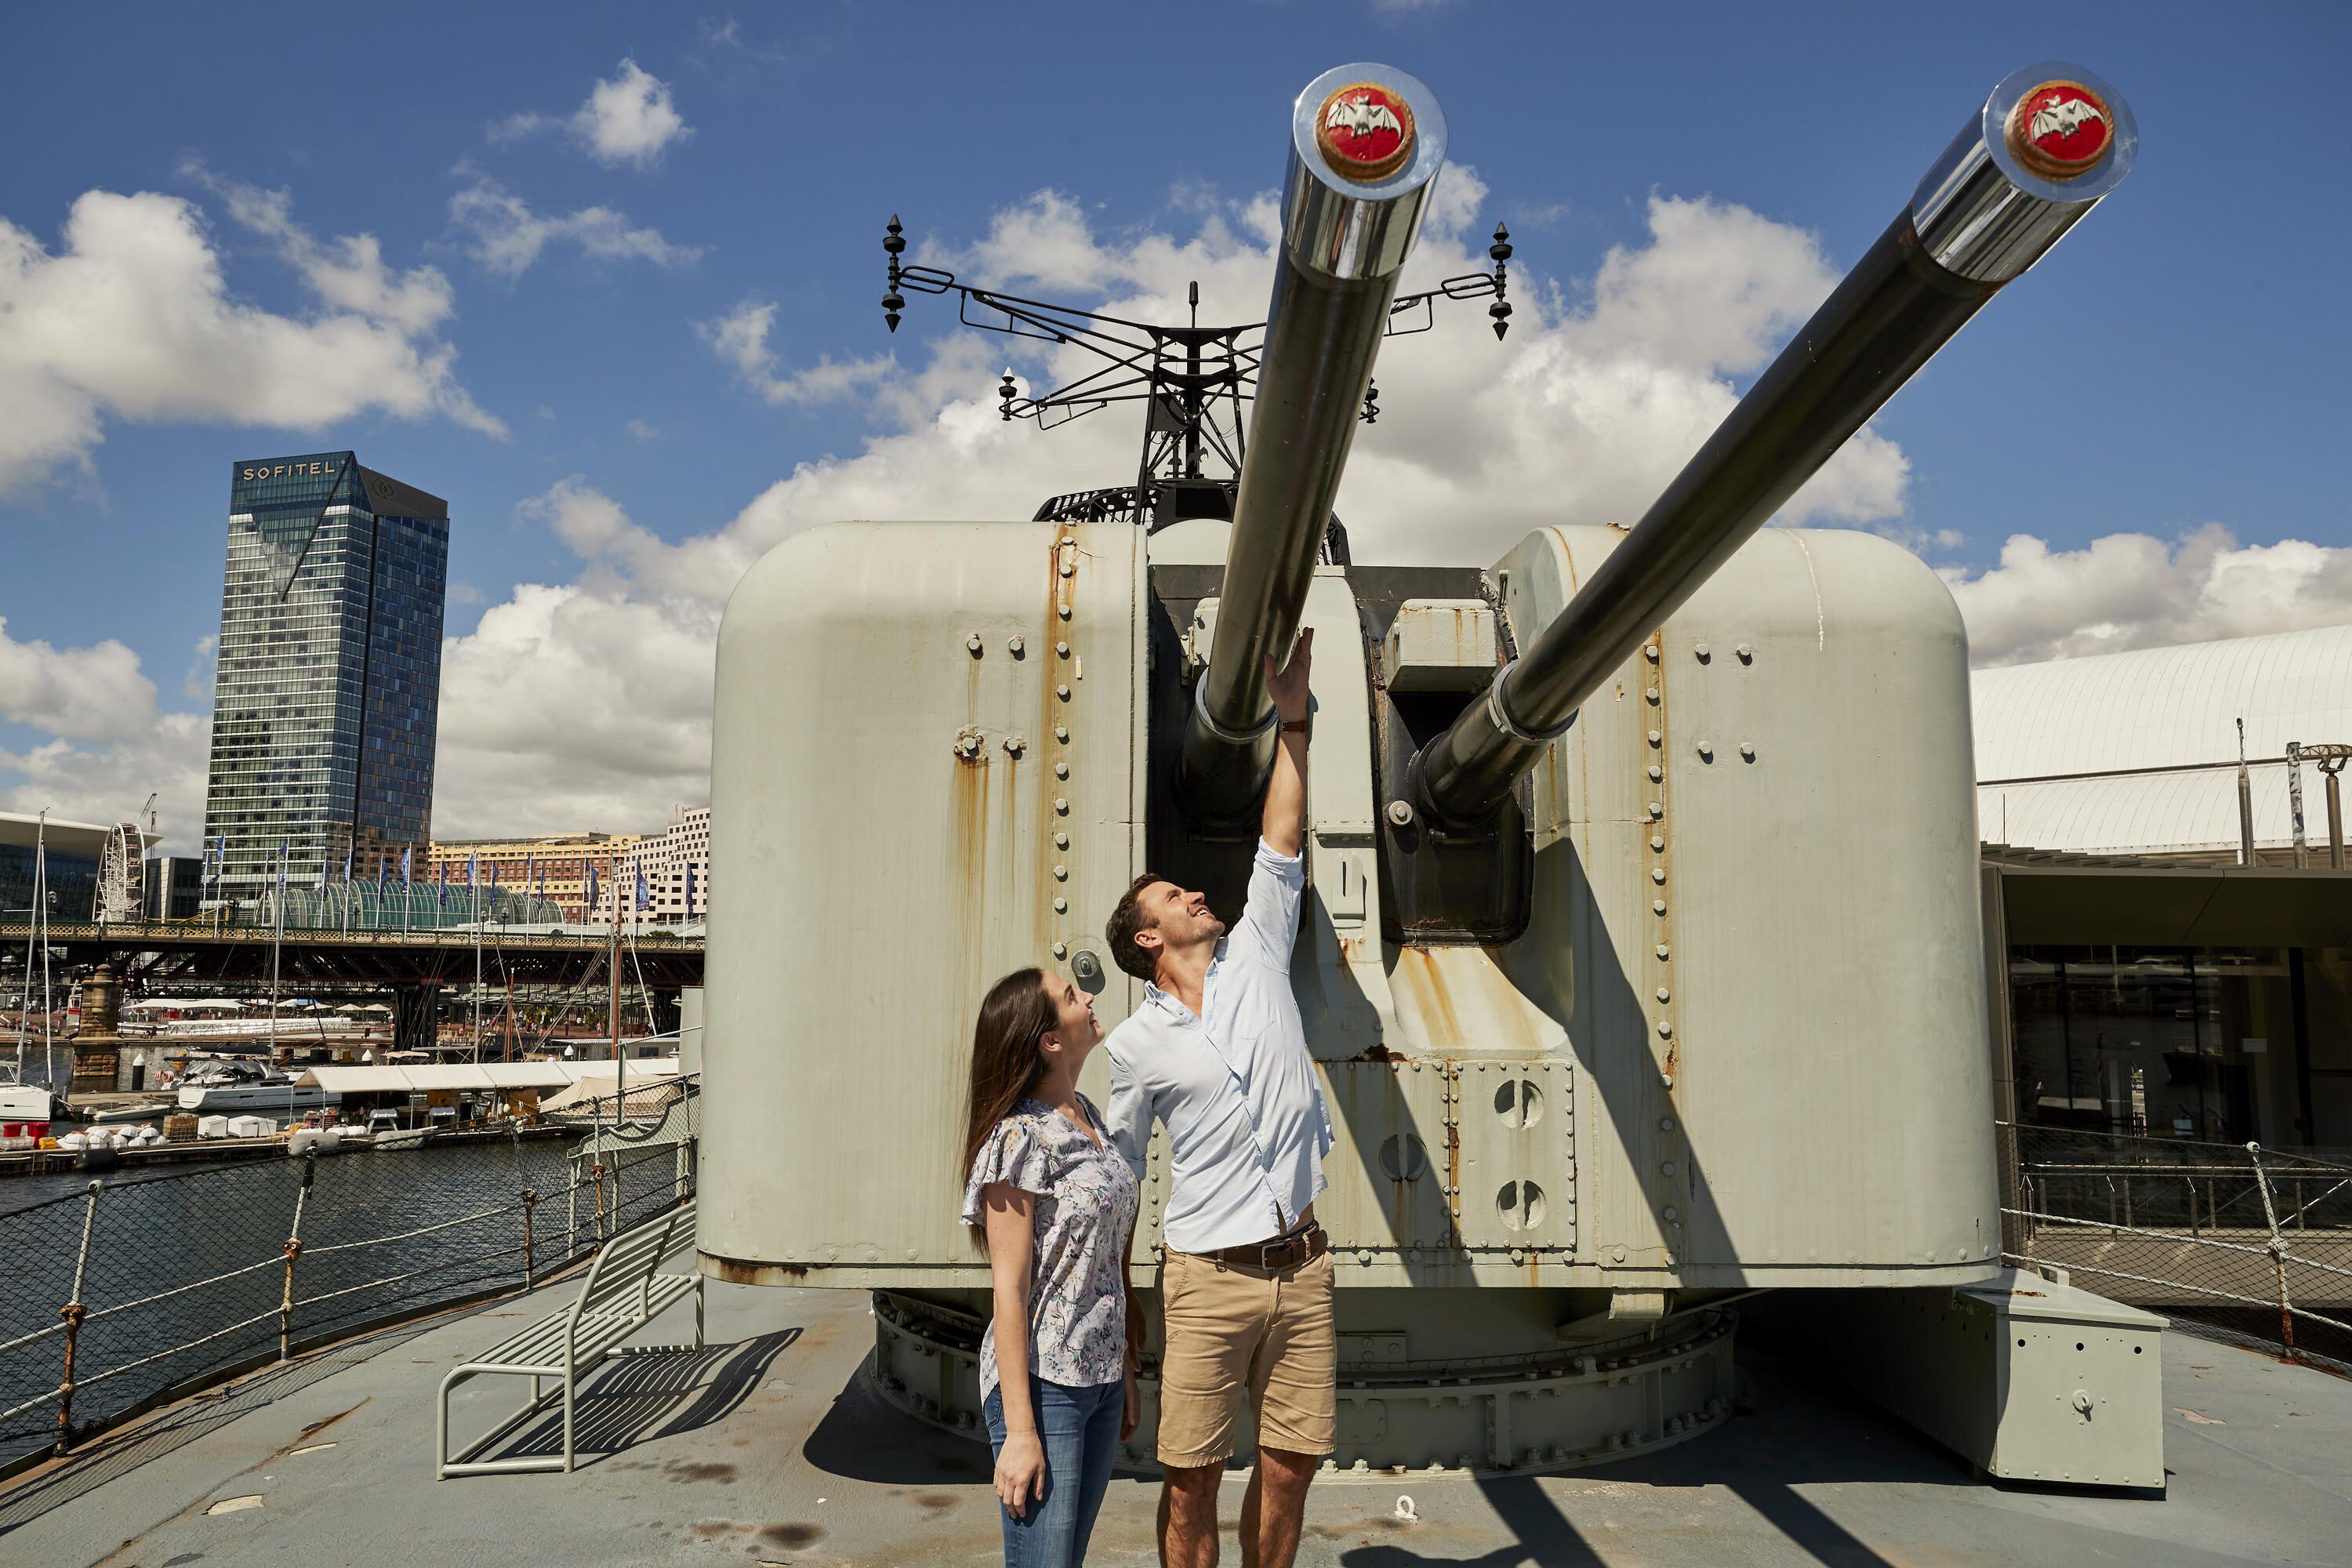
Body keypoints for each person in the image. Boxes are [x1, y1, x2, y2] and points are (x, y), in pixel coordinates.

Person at [1102, 630, 1334, 1568]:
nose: (1197, 892)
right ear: (1148, 940)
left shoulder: (1258, 951)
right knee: (1191, 1478)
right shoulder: (1132, 1046)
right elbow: (1118, 1177)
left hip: (1305, 1269)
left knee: (1289, 1468)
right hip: (1206, 1279)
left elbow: (1280, 836)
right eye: (1173, 896)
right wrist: (1120, 1302)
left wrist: (1293, 717)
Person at [960, 966, 1142, 1567]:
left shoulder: (1088, 1120)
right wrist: (1020, 1433)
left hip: (1100, 1382)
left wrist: (1125, 1372)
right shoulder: (1017, 1141)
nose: (1088, 997)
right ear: (1050, 1040)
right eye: (1071, 995)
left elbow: (1108, 1264)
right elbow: (1009, 1292)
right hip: (1044, 1389)